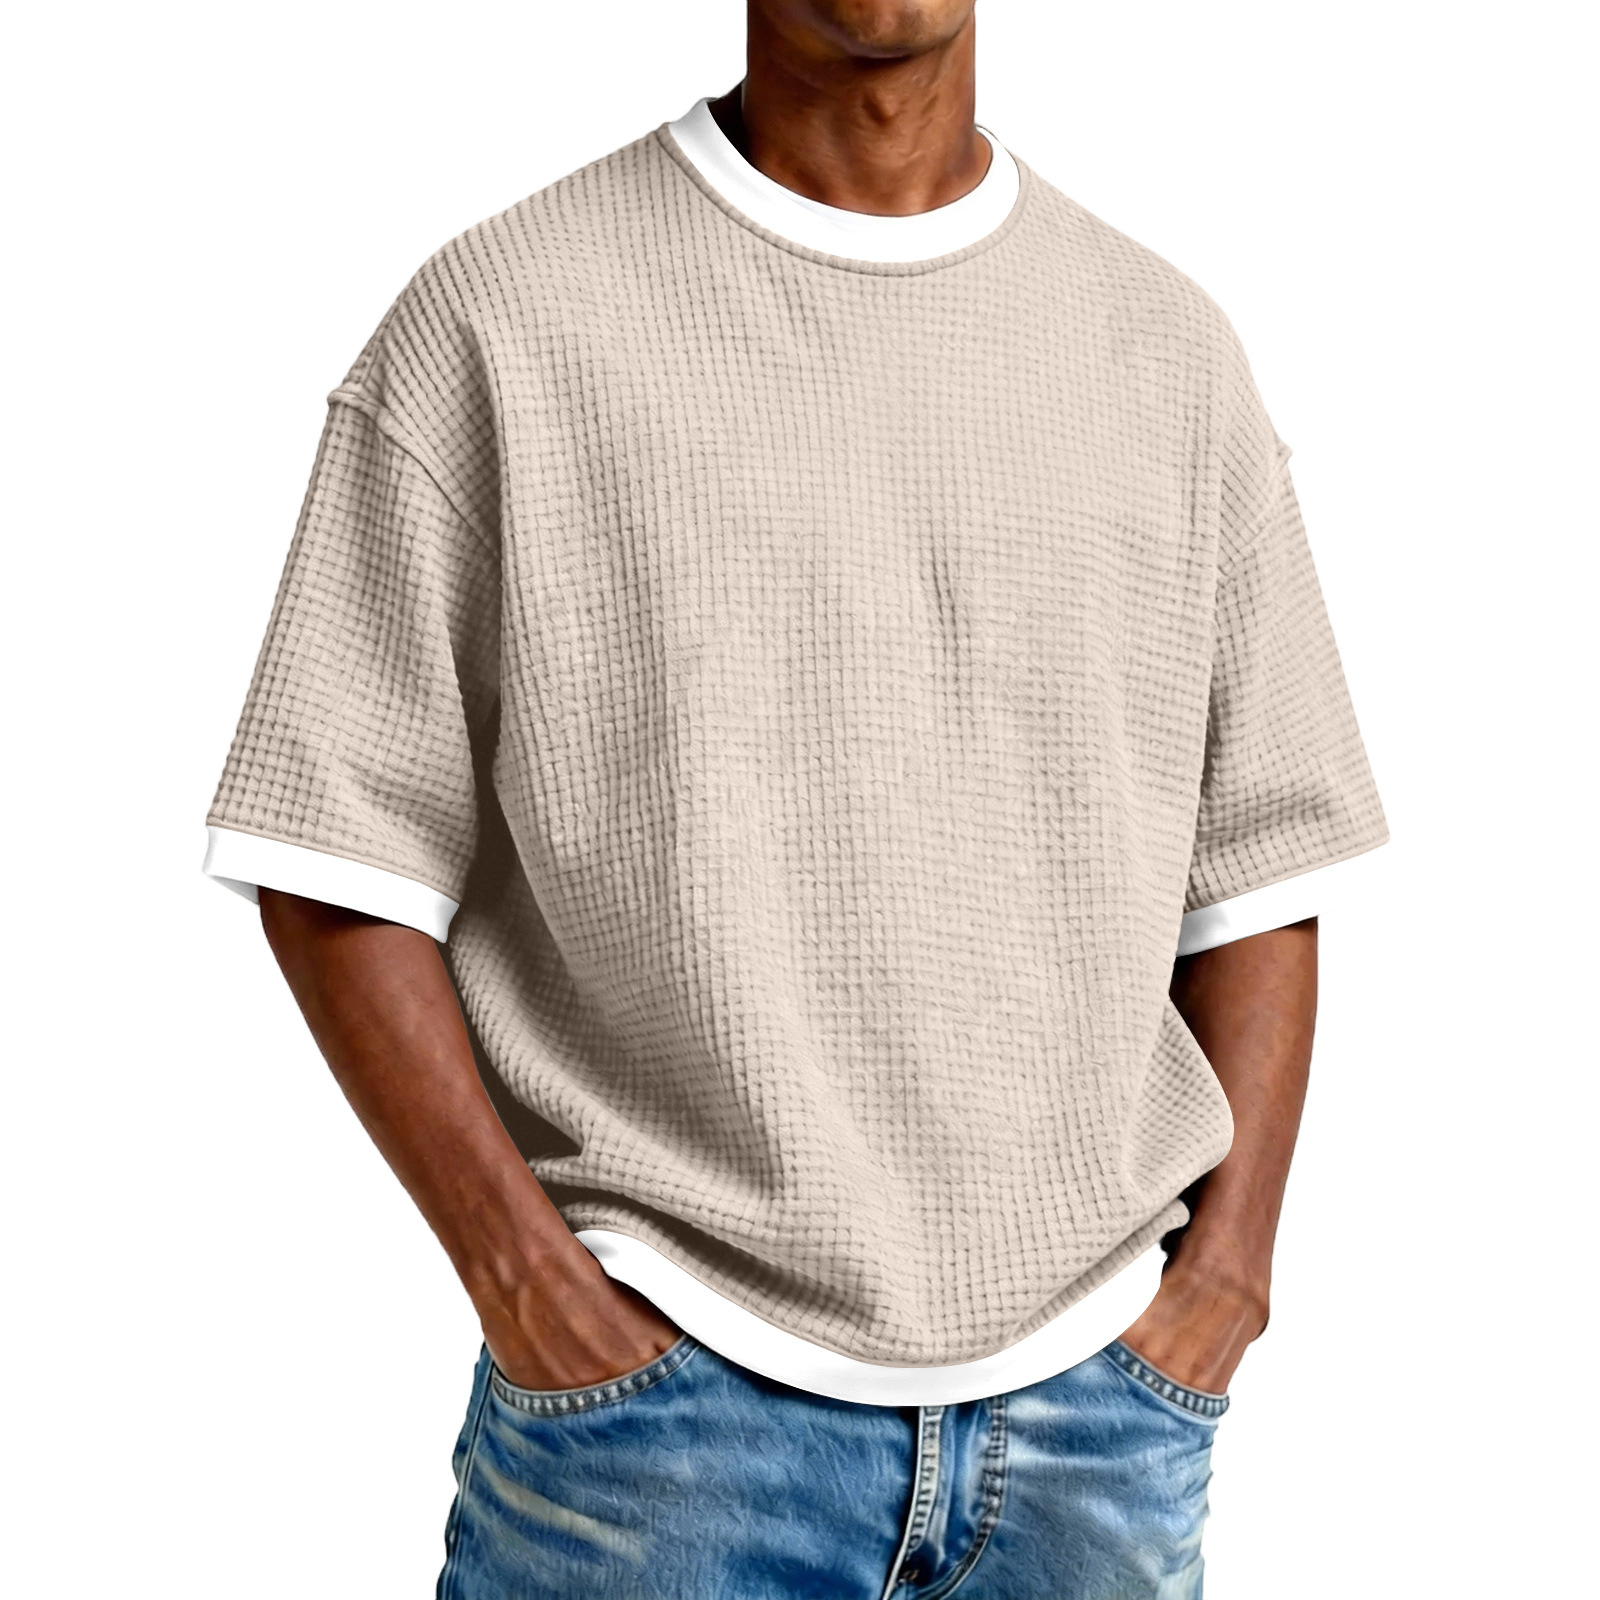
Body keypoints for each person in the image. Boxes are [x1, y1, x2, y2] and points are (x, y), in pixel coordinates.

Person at [203, 2, 1388, 1594]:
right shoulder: (502, 318)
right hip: (660, 1440)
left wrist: (1225, 1278)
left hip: (1097, 1436)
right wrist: (524, 1278)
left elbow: (1259, 865)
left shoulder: (1165, 351)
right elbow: (333, 847)